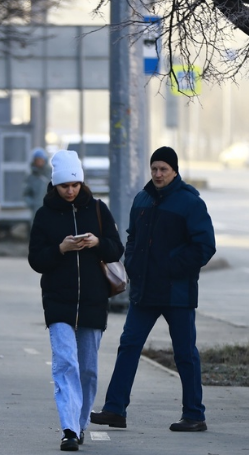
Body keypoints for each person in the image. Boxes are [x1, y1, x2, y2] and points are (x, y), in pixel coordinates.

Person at [90, 146, 216, 432]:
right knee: (129, 345)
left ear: (175, 171)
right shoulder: (142, 199)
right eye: (155, 169)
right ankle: (115, 410)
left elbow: (204, 246)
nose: (158, 174)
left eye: (164, 169)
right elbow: (132, 238)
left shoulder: (189, 203)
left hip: (177, 293)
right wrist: (132, 264)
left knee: (185, 353)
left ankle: (194, 415)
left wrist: (172, 266)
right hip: (144, 291)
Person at [28, 150, 124, 450]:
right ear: (54, 185)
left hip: (94, 301)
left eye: (75, 185)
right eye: (64, 186)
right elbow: (36, 260)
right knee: (65, 364)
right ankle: (68, 428)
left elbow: (116, 250)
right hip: (58, 302)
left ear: (82, 183)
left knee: (88, 369)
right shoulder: (44, 215)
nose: (70, 191)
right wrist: (61, 249)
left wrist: (97, 243)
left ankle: (80, 423)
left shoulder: (97, 209)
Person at [22, 148, 52, 219]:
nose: (39, 162)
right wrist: (32, 203)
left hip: (51, 209)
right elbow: (26, 194)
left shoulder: (51, 174)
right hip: (37, 210)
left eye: (41, 160)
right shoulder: (30, 177)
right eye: (37, 160)